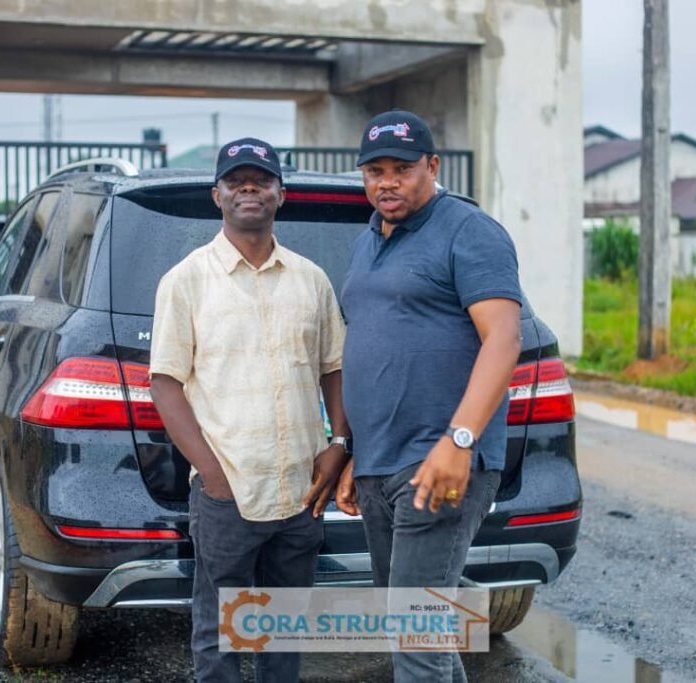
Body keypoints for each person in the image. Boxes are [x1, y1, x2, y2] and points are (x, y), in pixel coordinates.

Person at [149, 138, 351, 683]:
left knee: (282, 629)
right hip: (228, 491)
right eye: (235, 181)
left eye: (261, 180)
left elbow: (334, 368)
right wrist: (212, 474)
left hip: (301, 490)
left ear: (280, 194)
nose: (248, 189)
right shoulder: (187, 280)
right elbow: (165, 384)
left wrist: (338, 444)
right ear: (217, 195)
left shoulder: (311, 279)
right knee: (219, 630)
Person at [335, 110, 524, 682]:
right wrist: (355, 452)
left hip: (439, 461)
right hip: (379, 463)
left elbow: (504, 339)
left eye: (402, 169)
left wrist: (458, 440)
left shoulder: (469, 231)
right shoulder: (369, 239)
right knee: (420, 630)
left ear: (433, 166)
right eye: (375, 171)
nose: (387, 182)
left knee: (415, 636)